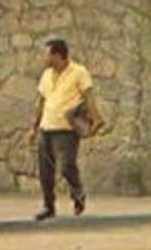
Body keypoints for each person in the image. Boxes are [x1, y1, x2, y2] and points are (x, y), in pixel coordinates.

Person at [29, 38, 101, 221]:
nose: (44, 58)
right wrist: (33, 127)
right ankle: (48, 206)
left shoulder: (79, 72)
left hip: (66, 129)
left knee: (67, 165)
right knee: (45, 171)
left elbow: (88, 97)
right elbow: (41, 101)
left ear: (57, 55)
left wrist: (95, 119)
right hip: (47, 126)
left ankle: (78, 194)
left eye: (47, 54)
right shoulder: (46, 75)